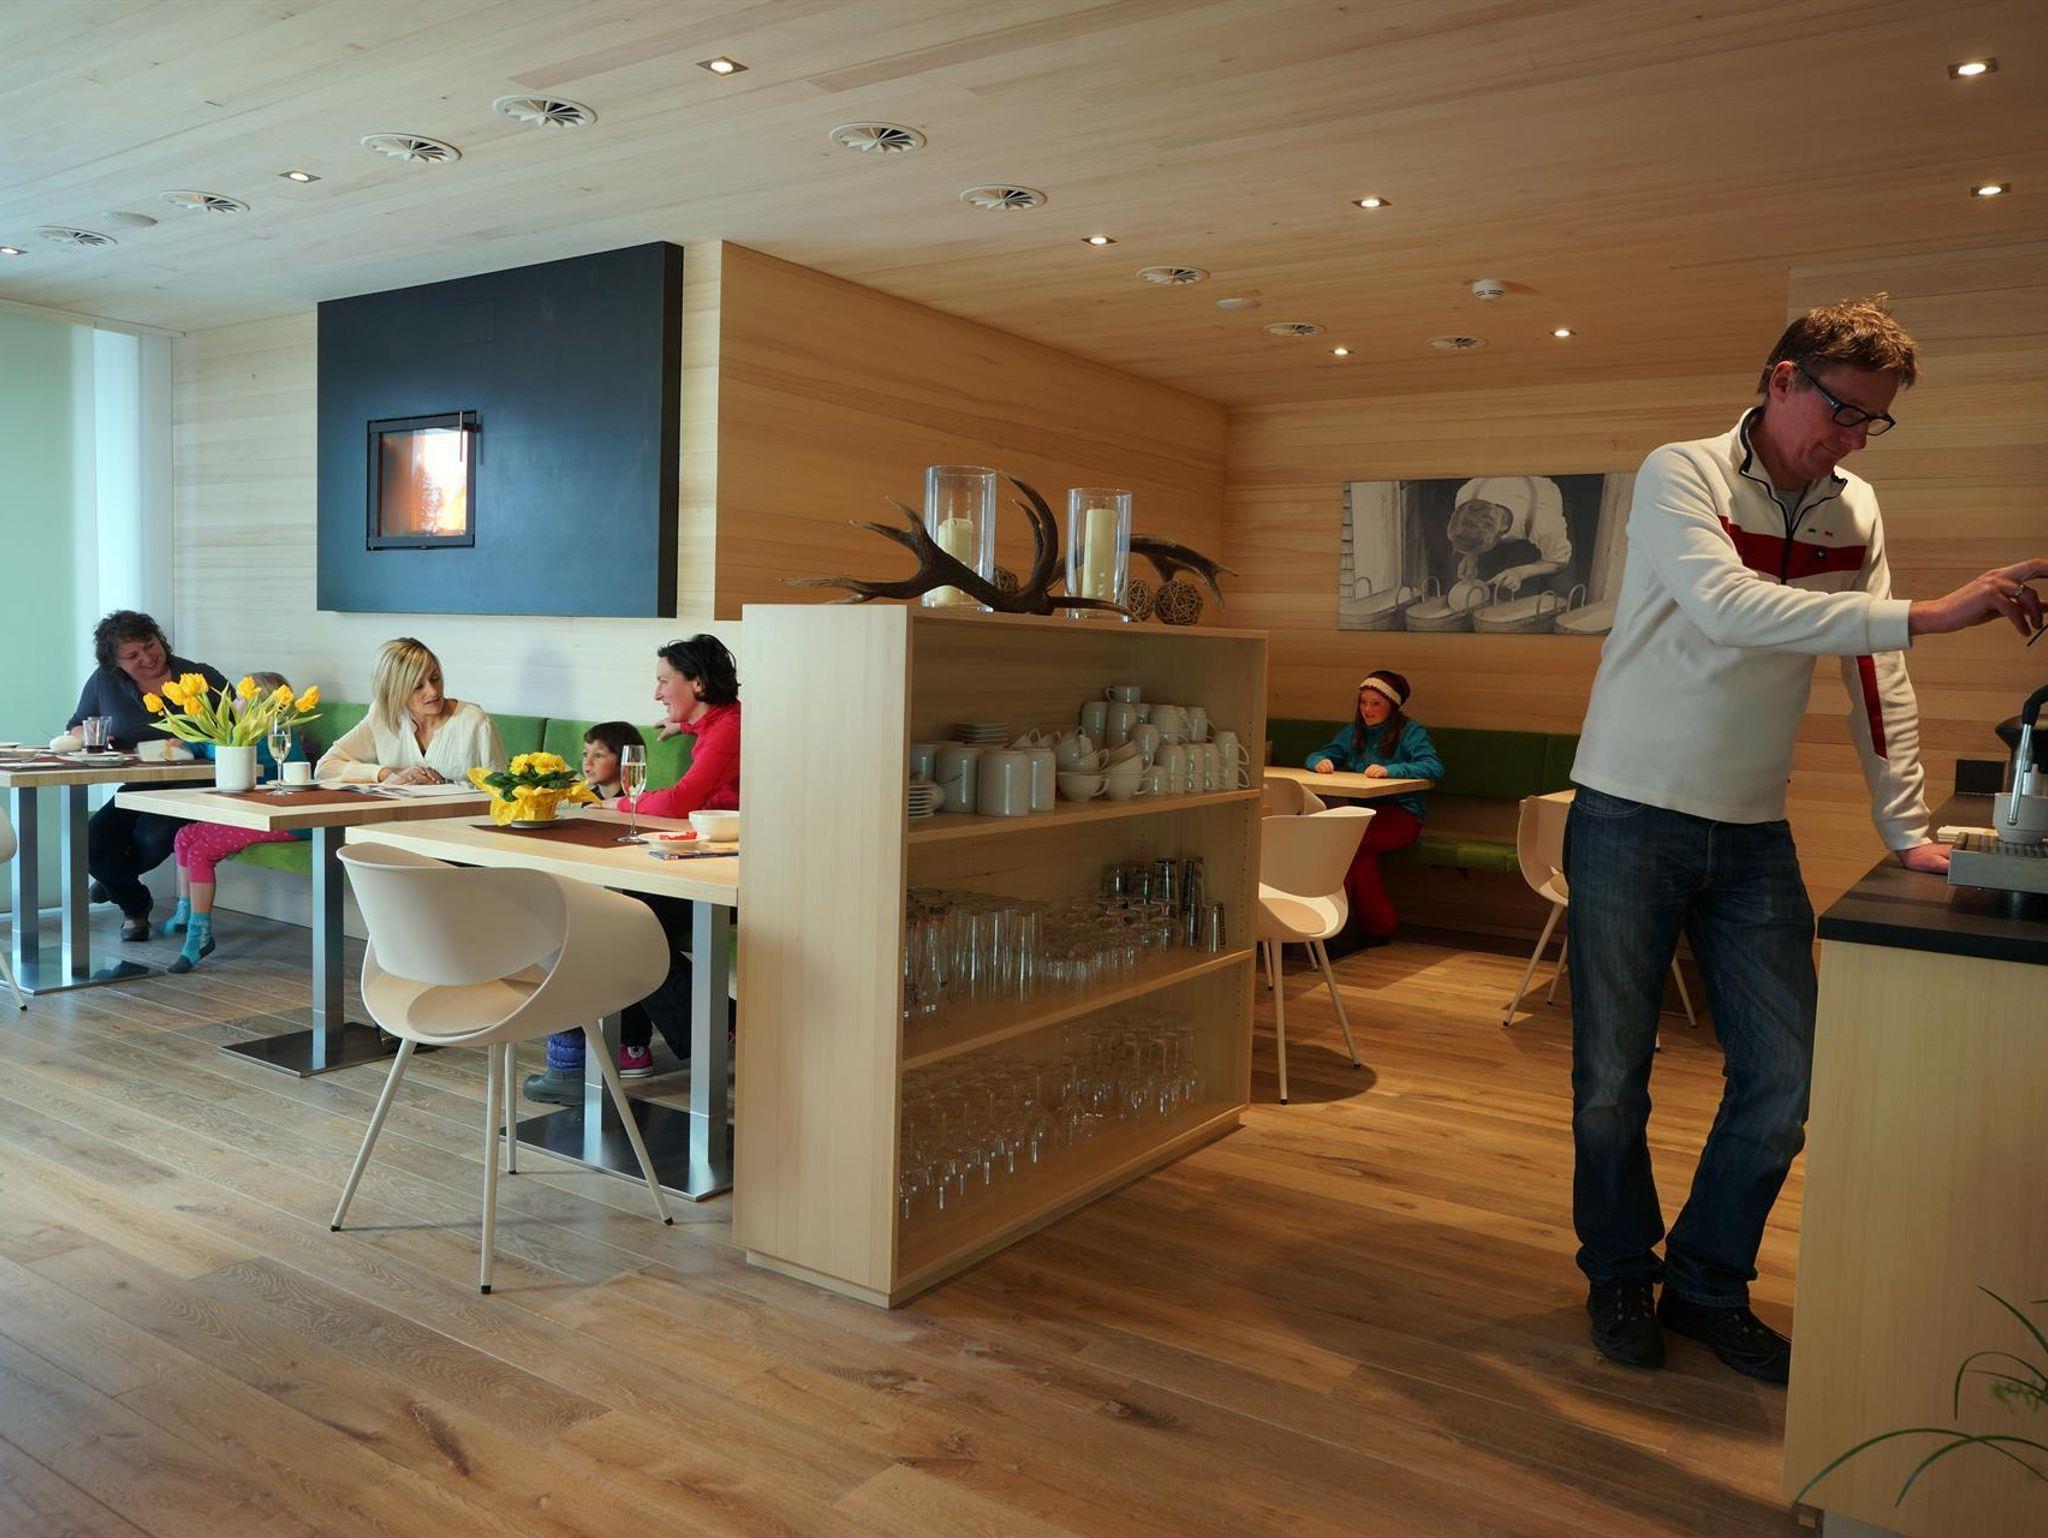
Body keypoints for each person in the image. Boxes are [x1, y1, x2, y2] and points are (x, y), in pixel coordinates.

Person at [1566, 294, 2047, 1384]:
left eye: (1875, 420)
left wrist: (1906, 826)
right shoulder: (1680, 472)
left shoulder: (1853, 508)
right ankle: (1618, 1270)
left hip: (1750, 828)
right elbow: (1726, 606)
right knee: (1610, 1081)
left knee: (1786, 1076)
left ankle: (1704, 1283)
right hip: (1626, 809)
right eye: (1843, 411)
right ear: (1781, 379)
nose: (1856, 438)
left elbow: (1873, 671)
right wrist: (1928, 611)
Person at [523, 637, 740, 1106]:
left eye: (663, 681)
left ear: (697, 684)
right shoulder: (718, 725)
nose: (656, 693)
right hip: (716, 858)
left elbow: (681, 801)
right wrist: (686, 726)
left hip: (739, 873)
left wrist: (618, 805)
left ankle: (719, 1026)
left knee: (625, 921)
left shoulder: (729, 729)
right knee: (622, 914)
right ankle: (637, 1043)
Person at [72, 610, 227, 941]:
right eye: (132, 655)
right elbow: (78, 725)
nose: (147, 657)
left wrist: (194, 744)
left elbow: (237, 729)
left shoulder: (198, 677)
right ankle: (134, 902)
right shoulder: (105, 682)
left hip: (197, 786)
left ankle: (115, 884)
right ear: (116, 663)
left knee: (153, 836)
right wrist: (90, 738)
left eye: (149, 645)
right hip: (141, 783)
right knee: (89, 839)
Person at [163, 672, 307, 973]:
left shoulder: (268, 735)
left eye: (242, 697)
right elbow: (213, 746)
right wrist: (189, 742)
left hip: (284, 819)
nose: (234, 702)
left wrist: (196, 742)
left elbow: (220, 749)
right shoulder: (243, 734)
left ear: (261, 704)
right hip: (253, 814)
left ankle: (199, 934)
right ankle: (185, 910)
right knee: (185, 835)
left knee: (200, 851)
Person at [1306, 670, 1443, 952]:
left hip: (1402, 815)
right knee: (1351, 850)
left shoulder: (1410, 732)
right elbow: (1318, 754)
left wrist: (1392, 770)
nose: (1367, 709)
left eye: (1375, 703)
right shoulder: (1354, 732)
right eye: (1363, 702)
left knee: (1348, 846)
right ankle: (1362, 928)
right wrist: (1319, 761)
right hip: (1362, 814)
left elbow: (1433, 767)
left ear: (1392, 705)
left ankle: (1332, 929)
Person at [313, 638, 504, 786]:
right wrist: (388, 774)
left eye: (435, 677)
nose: (433, 691)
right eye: (417, 686)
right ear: (394, 692)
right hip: (396, 822)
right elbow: (325, 767)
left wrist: (444, 784)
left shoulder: (475, 722)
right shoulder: (382, 715)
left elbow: (504, 794)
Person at [577, 720, 645, 801]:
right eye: (585, 754)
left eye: (598, 755)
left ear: (627, 760)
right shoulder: (589, 798)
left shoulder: (638, 801)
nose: (587, 762)